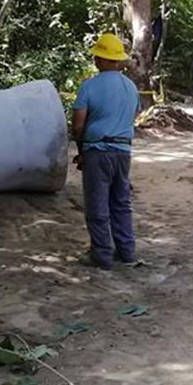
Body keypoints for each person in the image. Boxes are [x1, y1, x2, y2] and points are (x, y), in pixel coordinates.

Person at [71, 33, 141, 269]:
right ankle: (127, 251)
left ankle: (101, 256)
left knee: (97, 204)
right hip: (123, 151)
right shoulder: (131, 87)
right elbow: (132, 117)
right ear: (118, 60)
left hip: (97, 151)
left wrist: (82, 150)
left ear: (100, 59)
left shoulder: (88, 87)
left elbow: (78, 124)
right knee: (121, 202)